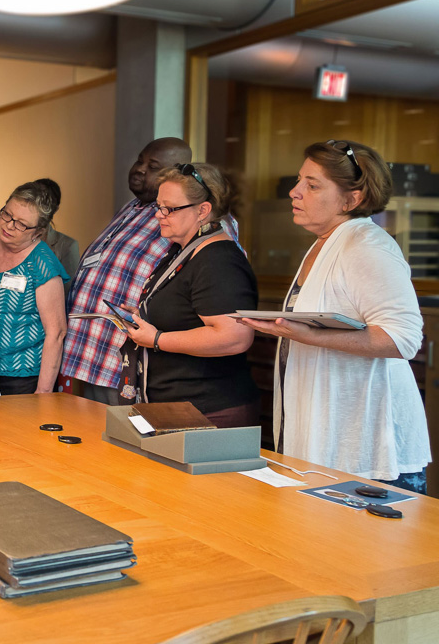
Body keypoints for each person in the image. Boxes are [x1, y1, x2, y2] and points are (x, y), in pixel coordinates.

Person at [241, 140, 429, 491]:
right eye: (300, 181)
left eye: (312, 186)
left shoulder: (367, 247)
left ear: (352, 200)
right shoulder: (324, 243)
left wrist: (307, 335)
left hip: (370, 453)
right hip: (330, 440)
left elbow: (403, 339)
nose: (295, 193)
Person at [59, 137, 238, 405]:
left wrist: (158, 336)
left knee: (118, 442)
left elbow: (206, 291)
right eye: (140, 160)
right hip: (83, 352)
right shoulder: (130, 208)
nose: (140, 169)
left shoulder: (202, 222)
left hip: (122, 361)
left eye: (153, 166)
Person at [121, 163, 259, 427]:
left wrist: (158, 339)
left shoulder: (218, 260)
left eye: (170, 208)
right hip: (177, 405)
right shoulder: (184, 250)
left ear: (203, 210)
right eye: (158, 207)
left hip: (208, 409)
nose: (159, 215)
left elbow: (234, 337)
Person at [0, 182, 68, 395]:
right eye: (7, 215)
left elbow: (56, 333)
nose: (9, 226)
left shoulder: (42, 264)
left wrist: (43, 393)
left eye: (21, 224)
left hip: (20, 376)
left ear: (38, 232)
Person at [32, 178, 80, 297]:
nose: (39, 205)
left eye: (45, 201)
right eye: (34, 198)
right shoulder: (14, 235)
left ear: (55, 208)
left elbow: (69, 291)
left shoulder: (68, 246)